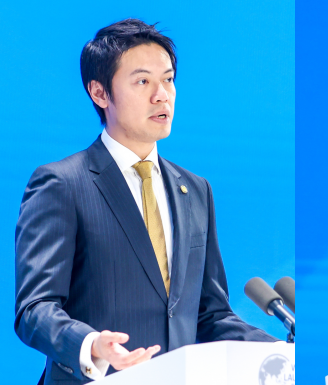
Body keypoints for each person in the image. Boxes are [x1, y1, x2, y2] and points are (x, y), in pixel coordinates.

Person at [14, 19, 276, 385]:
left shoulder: (196, 189)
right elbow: (34, 310)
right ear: (100, 93)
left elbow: (209, 314)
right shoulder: (62, 183)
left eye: (168, 79)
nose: (162, 95)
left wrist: (278, 351)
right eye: (143, 82)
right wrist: (91, 344)